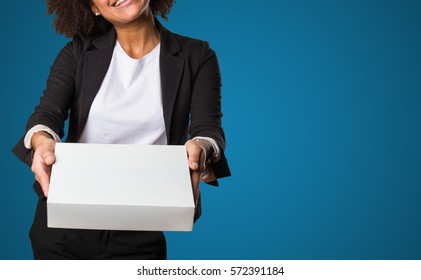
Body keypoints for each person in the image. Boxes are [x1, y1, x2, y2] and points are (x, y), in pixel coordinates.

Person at [12, 0, 230, 260]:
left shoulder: (197, 55)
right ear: (93, 7)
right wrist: (41, 141)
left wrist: (201, 148)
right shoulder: (77, 53)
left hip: (142, 222)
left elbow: (208, 129)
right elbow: (47, 115)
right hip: (64, 221)